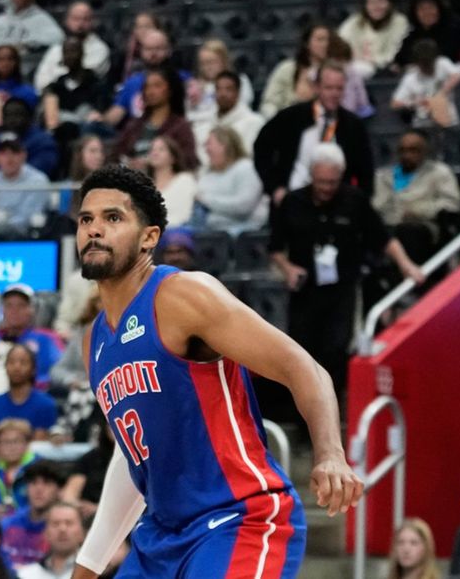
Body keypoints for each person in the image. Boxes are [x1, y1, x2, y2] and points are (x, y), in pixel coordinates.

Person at [69, 164, 364, 579]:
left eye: (112, 218)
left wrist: (331, 454)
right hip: (161, 535)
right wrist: (88, 565)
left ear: (149, 237)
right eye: (86, 219)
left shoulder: (184, 295)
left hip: (237, 518)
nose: (94, 230)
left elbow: (303, 366)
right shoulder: (94, 342)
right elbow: (132, 455)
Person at [269, 144, 424, 396]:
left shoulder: (354, 200)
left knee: (337, 348)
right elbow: (274, 248)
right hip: (305, 289)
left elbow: (383, 239)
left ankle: (334, 403)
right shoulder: (292, 202)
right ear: (311, 175)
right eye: (321, 182)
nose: (326, 188)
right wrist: (287, 268)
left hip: (342, 287)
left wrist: (406, 265)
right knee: (302, 349)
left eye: (332, 182)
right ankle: (302, 416)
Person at [255, 62, 374, 204]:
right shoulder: (291, 117)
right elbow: (261, 148)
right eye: (329, 88)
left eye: (339, 89)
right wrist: (274, 188)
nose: (335, 94)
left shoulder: (353, 125)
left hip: (337, 207)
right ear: (316, 87)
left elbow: (366, 170)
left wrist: (358, 203)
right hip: (293, 203)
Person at [372, 130, 460, 260]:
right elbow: (375, 206)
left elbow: (453, 204)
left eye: (413, 150)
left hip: (424, 226)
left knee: (409, 232)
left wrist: (418, 210)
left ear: (424, 151)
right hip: (389, 227)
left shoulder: (439, 172)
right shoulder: (384, 176)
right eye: (402, 150)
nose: (406, 155)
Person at [111, 68, 200, 173]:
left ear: (170, 89)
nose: (150, 92)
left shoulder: (181, 127)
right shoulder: (134, 125)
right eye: (147, 87)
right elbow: (115, 157)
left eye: (157, 86)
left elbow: (189, 162)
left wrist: (154, 162)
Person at [0, 134, 53, 239]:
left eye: (15, 152)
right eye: (3, 153)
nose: (9, 158)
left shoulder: (38, 180)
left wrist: (1, 225)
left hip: (27, 238)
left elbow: (28, 219)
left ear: (24, 155)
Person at [195, 127, 266, 232]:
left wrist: (207, 200)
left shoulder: (246, 168)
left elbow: (243, 207)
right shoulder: (207, 174)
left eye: (209, 143)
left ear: (224, 145)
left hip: (245, 232)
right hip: (208, 231)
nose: (206, 149)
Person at [0, 462, 63, 569]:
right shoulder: (7, 524)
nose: (39, 490)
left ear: (59, 490)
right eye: (33, 483)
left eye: (47, 483)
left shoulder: (63, 528)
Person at [0, 346, 57, 434]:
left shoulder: (46, 405)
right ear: (5, 367)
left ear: (33, 369)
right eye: (11, 362)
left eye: (23, 363)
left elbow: (42, 441)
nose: (16, 367)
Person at [337, 0, 409, 77]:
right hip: (360, 66)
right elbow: (340, 42)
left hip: (388, 69)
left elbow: (396, 53)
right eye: (372, 2)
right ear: (366, 5)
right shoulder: (355, 21)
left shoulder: (400, 21)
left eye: (381, 1)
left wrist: (372, 60)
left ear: (389, 3)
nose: (376, 6)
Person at [391, 38, 460, 128]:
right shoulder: (410, 77)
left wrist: (441, 93)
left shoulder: (442, 63)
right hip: (423, 124)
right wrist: (416, 103)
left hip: (448, 120)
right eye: (423, 63)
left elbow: (458, 75)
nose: (427, 66)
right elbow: (395, 103)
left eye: (429, 62)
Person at [195, 70, 263, 159]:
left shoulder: (254, 122)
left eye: (228, 89)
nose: (222, 94)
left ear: (238, 93)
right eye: (218, 89)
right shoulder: (205, 125)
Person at [17, 503, 85, 579]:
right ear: (45, 533)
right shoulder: (26, 575)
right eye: (55, 524)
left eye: (69, 523)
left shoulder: (94, 573)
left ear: (82, 532)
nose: (62, 529)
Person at [146, 137, 196, 229]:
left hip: (175, 230)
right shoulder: (144, 185)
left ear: (173, 158)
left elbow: (184, 215)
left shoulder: (184, 180)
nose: (155, 153)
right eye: (152, 149)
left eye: (161, 149)